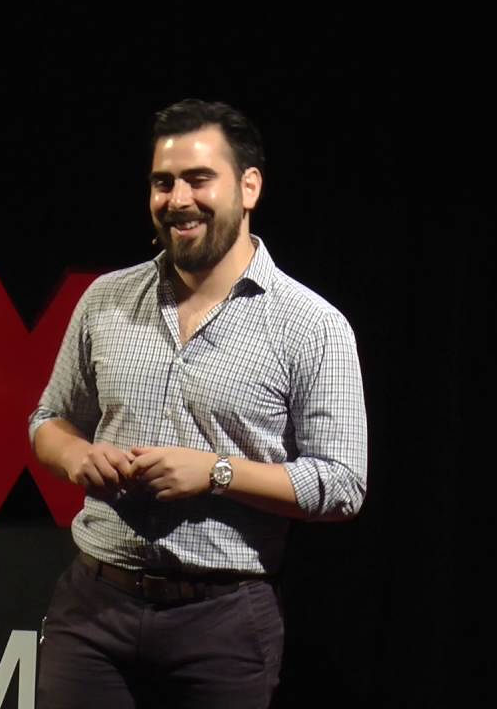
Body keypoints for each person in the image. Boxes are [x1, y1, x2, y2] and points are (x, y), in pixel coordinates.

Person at [29, 98, 368, 708]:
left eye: (198, 179)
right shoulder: (106, 300)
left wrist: (217, 473)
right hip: (94, 608)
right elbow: (49, 420)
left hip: (222, 624)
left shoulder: (312, 326)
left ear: (249, 186)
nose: (178, 199)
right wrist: (76, 456)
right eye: (163, 183)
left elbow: (342, 484)